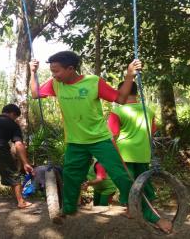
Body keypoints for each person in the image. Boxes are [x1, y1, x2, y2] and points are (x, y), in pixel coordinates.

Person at [29, 51, 171, 232]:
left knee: (123, 177)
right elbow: (35, 94)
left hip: (101, 139)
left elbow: (120, 98)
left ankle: (152, 216)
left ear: (71, 69)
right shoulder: (57, 84)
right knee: (71, 177)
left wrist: (129, 75)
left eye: (56, 71)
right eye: (52, 71)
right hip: (74, 142)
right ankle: (68, 209)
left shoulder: (93, 82)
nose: (53, 75)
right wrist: (33, 72)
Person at [108, 81, 158, 220]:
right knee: (144, 180)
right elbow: (152, 131)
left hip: (124, 153)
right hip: (143, 152)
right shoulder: (149, 110)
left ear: (121, 92)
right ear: (136, 92)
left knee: (127, 182)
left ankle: (131, 210)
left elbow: (112, 135)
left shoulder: (117, 111)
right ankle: (150, 207)